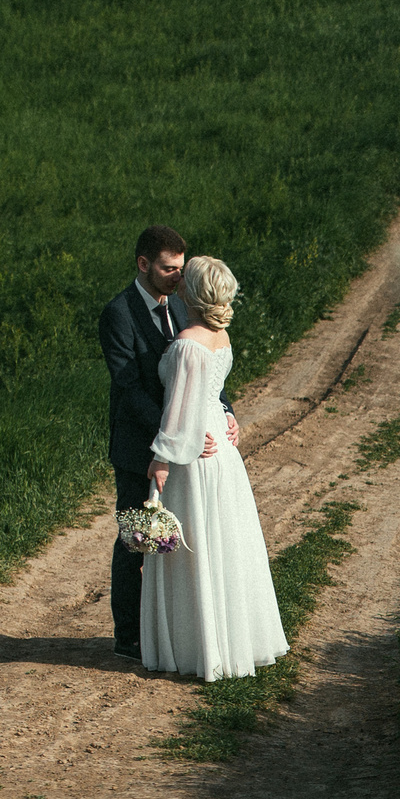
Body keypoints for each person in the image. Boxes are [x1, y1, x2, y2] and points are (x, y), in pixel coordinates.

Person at [140, 256, 289, 681]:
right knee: (220, 541)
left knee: (194, 547)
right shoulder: (220, 336)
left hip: (195, 452)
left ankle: (198, 648)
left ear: (192, 292)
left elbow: (179, 408)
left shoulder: (188, 342)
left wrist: (162, 459)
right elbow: (212, 393)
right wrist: (226, 416)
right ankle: (224, 640)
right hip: (219, 448)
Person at [98, 225, 236, 662]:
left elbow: (203, 371)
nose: (177, 276)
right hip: (141, 444)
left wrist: (226, 412)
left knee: (185, 540)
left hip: (184, 445)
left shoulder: (184, 302)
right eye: (168, 268)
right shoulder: (118, 314)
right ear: (143, 265)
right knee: (136, 537)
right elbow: (127, 386)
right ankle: (129, 635)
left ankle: (170, 631)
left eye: (181, 268)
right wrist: (177, 430)